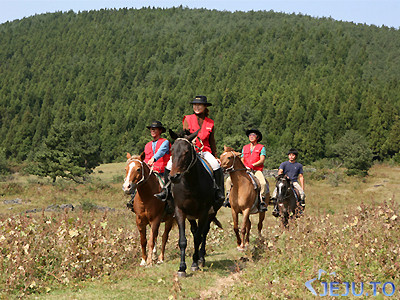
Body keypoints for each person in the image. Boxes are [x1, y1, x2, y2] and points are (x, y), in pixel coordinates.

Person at [155, 95, 225, 209]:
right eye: (195, 105)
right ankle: (166, 190)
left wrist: (215, 156)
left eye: (199, 105)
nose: (196, 107)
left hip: (205, 151)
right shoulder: (187, 118)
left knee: (216, 165)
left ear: (205, 106)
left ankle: (219, 192)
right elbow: (184, 136)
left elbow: (212, 141)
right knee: (169, 164)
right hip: (189, 150)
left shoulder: (210, 122)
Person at [127, 120, 170, 210]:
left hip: (162, 170)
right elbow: (145, 159)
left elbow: (161, 152)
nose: (152, 131)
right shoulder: (147, 145)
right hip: (150, 171)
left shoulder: (165, 142)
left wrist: (153, 159)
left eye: (155, 129)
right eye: (151, 129)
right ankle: (133, 201)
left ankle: (171, 205)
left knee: (169, 185)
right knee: (138, 182)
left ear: (160, 131)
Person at [223, 129, 269, 212]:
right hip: (245, 170)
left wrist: (252, 165)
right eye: (250, 135)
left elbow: (261, 160)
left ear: (257, 137)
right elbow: (242, 159)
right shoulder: (245, 147)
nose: (251, 136)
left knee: (263, 183)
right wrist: (243, 166)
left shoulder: (262, 147)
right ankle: (228, 198)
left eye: (253, 135)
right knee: (228, 180)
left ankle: (262, 201)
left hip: (256, 170)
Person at [270, 148, 305, 217]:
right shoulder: (284, 164)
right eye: (290, 155)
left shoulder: (299, 165)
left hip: (294, 182)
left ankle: (299, 209)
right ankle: (275, 209)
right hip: (285, 181)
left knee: (302, 194)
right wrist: (283, 177)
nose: (291, 156)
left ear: (295, 156)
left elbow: (301, 176)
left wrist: (302, 187)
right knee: (274, 194)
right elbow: (280, 172)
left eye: (293, 155)